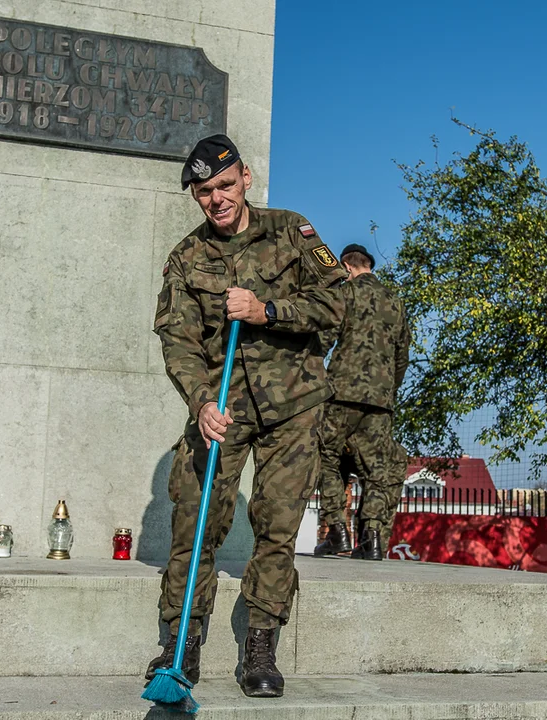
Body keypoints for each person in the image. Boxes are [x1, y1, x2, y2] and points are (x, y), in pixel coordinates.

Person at [147, 134, 346, 698]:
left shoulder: (291, 230)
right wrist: (199, 402)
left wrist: (267, 310)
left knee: (277, 525)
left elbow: (336, 303)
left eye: (226, 185)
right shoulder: (187, 258)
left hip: (293, 406)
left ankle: (260, 647)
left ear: (247, 178)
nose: (218, 199)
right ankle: (180, 643)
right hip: (224, 408)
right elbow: (178, 343)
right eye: (205, 191)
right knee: (196, 520)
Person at [313, 244, 411, 561]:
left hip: (341, 393)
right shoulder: (395, 302)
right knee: (377, 469)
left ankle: (337, 532)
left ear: (347, 266)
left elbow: (323, 341)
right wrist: (386, 391)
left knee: (323, 454)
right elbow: (402, 356)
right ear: (369, 264)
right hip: (381, 401)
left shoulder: (346, 292)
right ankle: (371, 540)